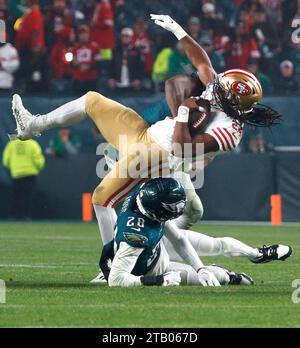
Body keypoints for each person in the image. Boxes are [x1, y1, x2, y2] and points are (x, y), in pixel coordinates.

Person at [9, 14, 282, 283]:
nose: (214, 88)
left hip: (159, 155)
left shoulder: (228, 132)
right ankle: (32, 125)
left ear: (234, 103)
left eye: (223, 91)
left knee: (102, 199)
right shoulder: (224, 94)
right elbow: (202, 63)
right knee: (92, 100)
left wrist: (185, 113)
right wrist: (179, 31)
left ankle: (111, 266)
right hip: (145, 134)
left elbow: (183, 147)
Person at [98, 178, 292, 287]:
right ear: (157, 211)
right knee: (216, 279)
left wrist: (201, 268)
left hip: (156, 244)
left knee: (216, 245)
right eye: (171, 210)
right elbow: (116, 280)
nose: (176, 212)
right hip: (151, 267)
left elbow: (179, 238)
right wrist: (157, 280)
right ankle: (230, 276)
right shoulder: (135, 236)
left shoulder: (144, 192)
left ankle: (257, 254)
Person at [2, 139, 45, 219]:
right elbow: (38, 159)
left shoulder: (12, 144)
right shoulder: (32, 144)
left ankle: (14, 216)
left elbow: (6, 160)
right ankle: (26, 216)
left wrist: (13, 168)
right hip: (30, 173)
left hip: (16, 173)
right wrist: (39, 168)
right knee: (27, 196)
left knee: (16, 196)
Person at [108, 27, 144, 92]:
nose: (125, 38)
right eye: (123, 36)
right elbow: (111, 66)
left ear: (131, 37)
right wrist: (111, 78)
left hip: (132, 83)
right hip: (117, 83)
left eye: (127, 36)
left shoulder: (137, 51)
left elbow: (141, 67)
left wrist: (138, 79)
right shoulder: (115, 51)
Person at [72, 25, 101, 95]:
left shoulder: (95, 46)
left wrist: (89, 67)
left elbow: (99, 63)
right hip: (78, 80)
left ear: (88, 34)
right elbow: (72, 64)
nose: (83, 36)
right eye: (81, 34)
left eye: (85, 33)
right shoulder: (74, 48)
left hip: (91, 80)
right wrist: (74, 64)